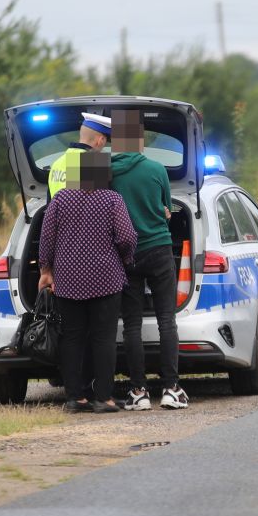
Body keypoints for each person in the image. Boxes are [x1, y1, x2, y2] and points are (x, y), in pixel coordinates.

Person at [38, 148, 137, 413]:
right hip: (106, 279)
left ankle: (75, 398)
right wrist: (126, 260)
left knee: (72, 338)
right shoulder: (113, 200)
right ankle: (103, 398)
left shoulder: (59, 200)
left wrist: (46, 270)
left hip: (68, 281)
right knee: (104, 339)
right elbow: (127, 237)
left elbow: (46, 239)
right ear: (105, 174)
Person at [110, 110, 190, 411]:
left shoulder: (102, 170)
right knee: (166, 320)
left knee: (131, 325)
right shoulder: (157, 169)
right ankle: (171, 388)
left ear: (115, 141)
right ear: (140, 140)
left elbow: (92, 206)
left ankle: (138, 392)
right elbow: (167, 209)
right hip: (158, 249)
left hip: (124, 254)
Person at [48, 111, 112, 198]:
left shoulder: (57, 163)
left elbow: (50, 204)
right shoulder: (93, 162)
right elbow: (101, 204)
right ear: (100, 140)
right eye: (105, 141)